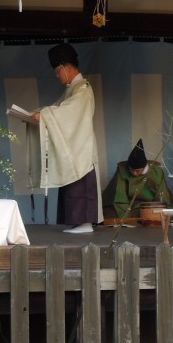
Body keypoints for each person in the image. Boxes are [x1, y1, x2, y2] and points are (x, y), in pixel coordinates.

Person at [29, 43, 103, 233]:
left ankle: (86, 222)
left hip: (81, 147)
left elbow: (68, 112)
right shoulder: (73, 89)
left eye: (57, 71)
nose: (56, 76)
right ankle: (77, 221)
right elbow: (57, 107)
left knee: (80, 182)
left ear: (67, 67)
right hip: (75, 145)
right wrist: (38, 115)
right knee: (70, 181)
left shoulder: (83, 89)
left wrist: (44, 116)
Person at [101, 138, 173, 218]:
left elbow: (162, 196)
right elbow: (119, 198)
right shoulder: (122, 170)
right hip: (128, 206)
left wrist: (154, 210)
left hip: (150, 206)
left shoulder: (156, 172)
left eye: (138, 171)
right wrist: (127, 217)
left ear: (144, 166)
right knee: (110, 214)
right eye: (131, 170)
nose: (134, 173)